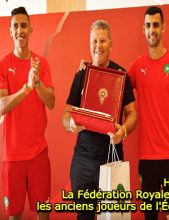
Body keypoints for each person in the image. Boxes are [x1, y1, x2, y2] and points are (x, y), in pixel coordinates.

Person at [63, 20, 137, 220]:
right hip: (83, 160)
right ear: (89, 44)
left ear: (111, 43)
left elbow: (132, 114)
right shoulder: (81, 75)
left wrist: (123, 131)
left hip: (111, 159)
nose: (98, 46)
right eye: (94, 41)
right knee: (84, 216)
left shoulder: (121, 76)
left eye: (103, 41)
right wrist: (70, 123)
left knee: (113, 216)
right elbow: (65, 115)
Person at [126, 6, 169, 220]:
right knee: (150, 216)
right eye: (147, 25)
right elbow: (116, 86)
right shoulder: (137, 65)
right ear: (143, 30)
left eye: (155, 25)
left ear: (163, 28)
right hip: (148, 157)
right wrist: (90, 70)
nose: (151, 30)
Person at [0, 7, 55, 220]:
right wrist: (26, 88)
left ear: (31, 30)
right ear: (10, 31)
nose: (20, 30)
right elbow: (2, 105)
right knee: (15, 215)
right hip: (11, 156)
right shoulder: (4, 65)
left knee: (43, 212)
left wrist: (37, 81)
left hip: (38, 154)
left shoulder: (42, 64)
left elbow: (50, 102)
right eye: (16, 26)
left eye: (24, 26)